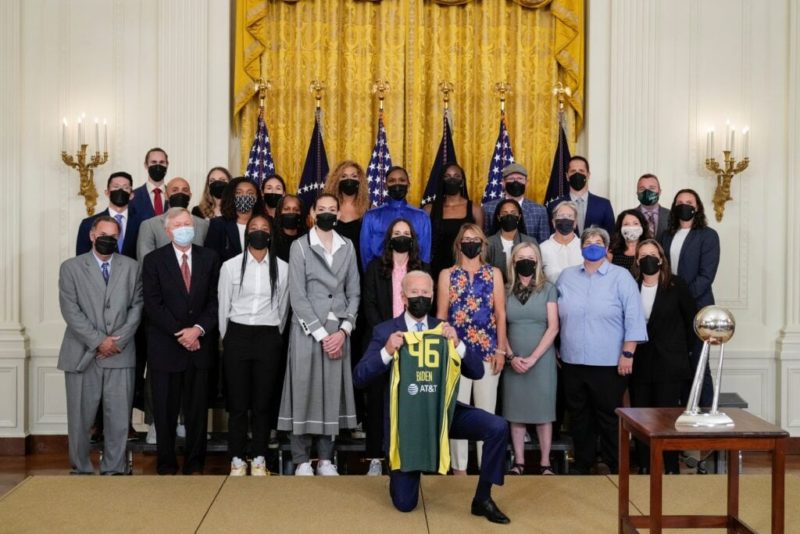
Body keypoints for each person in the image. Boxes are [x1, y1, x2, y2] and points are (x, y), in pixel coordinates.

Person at [353, 271, 510, 524]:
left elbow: (477, 371)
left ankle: (483, 498)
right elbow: (359, 376)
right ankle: (399, 475)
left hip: (442, 413)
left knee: (497, 427)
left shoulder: (443, 328)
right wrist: (386, 351)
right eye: (414, 293)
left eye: (426, 292)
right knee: (405, 504)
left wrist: (458, 344)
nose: (421, 297)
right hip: (407, 425)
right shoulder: (386, 331)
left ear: (433, 295)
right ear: (403, 297)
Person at [278, 193, 360, 476]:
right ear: (312, 212)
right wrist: (323, 334)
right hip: (309, 332)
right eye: (321, 208)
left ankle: (326, 458)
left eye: (332, 209)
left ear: (338, 214)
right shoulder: (300, 246)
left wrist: (344, 331)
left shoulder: (347, 246)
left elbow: (355, 292)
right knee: (303, 390)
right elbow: (297, 297)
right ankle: (301, 459)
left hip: (339, 331)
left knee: (330, 393)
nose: (327, 213)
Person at [556, 227, 647, 474]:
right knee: (579, 416)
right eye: (588, 241)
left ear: (607, 248)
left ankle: (616, 465)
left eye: (598, 241)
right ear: (581, 247)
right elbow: (555, 315)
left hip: (608, 362)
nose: (592, 245)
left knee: (608, 417)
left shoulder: (621, 277)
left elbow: (634, 317)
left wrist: (628, 353)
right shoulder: (566, 276)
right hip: (573, 360)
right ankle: (583, 463)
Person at [58, 216, 143, 475]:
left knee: (118, 419)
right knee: (81, 419)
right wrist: (98, 341)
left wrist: (119, 339)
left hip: (120, 351)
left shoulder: (131, 267)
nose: (108, 239)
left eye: (113, 235)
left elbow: (137, 306)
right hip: (82, 353)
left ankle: (115, 468)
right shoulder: (71, 267)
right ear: (92, 235)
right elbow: (70, 310)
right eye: (103, 234)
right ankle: (81, 468)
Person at [142, 208, 220, 475]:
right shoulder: (153, 260)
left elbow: (215, 301)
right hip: (166, 348)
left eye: (188, 223)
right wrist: (182, 333)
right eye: (178, 224)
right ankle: (165, 464)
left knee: (197, 412)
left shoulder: (210, 258)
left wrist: (197, 330)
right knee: (165, 412)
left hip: (200, 346)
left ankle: (195, 463)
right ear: (168, 231)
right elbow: (153, 304)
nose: (184, 228)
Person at [218, 214, 289, 476]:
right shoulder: (231, 267)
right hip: (237, 335)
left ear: (271, 234)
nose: (259, 232)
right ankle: (237, 458)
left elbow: (283, 308)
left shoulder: (283, 268)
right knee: (238, 403)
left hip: (268, 337)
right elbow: (224, 306)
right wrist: (229, 339)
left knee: (262, 403)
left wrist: (272, 334)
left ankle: (259, 457)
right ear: (247, 233)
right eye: (254, 228)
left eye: (264, 228)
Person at [436, 224, 508, 475]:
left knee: (486, 413)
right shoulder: (447, 274)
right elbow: (442, 316)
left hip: (488, 352)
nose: (470, 243)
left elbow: (500, 313)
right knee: (458, 411)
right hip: (457, 353)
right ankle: (459, 469)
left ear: (483, 244)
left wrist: (501, 349)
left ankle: (486, 469)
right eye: (465, 239)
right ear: (458, 245)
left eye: (475, 239)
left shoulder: (494, 273)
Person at [361, 219, 429, 476]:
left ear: (413, 239)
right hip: (383, 343)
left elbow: (426, 307)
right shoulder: (374, 267)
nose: (401, 237)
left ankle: (411, 454)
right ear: (389, 238)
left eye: (406, 233)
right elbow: (369, 305)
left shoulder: (423, 268)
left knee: (411, 401)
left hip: (415, 345)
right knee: (378, 401)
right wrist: (389, 338)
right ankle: (376, 457)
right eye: (396, 233)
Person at [631, 239, 695, 474]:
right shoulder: (631, 285)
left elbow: (691, 322)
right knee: (641, 415)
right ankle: (646, 464)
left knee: (667, 416)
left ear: (661, 258)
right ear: (637, 261)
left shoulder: (677, 284)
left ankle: (669, 465)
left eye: (652, 254)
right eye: (643, 255)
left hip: (670, 362)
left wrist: (684, 352)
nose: (649, 258)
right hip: (639, 361)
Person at [502, 242, 559, 476]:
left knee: (543, 411)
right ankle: (519, 461)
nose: (526, 261)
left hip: (541, 359)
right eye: (521, 257)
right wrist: (511, 356)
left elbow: (553, 327)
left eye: (531, 257)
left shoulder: (548, 288)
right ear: (513, 261)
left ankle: (545, 463)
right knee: (516, 411)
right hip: (513, 358)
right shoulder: (505, 290)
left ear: (537, 261)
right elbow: (500, 327)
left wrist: (534, 357)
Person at [660, 189, 720, 407]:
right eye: (680, 202)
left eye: (689, 202)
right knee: (677, 362)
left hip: (697, 307)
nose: (684, 205)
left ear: (698, 207)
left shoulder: (708, 235)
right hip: (671, 308)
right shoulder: (666, 235)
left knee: (699, 363)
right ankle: (682, 412)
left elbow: (706, 276)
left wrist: (681, 298)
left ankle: (705, 413)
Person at [359, 166, 431, 270]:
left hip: (413, 273)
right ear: (385, 185)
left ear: (408, 184)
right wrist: (371, 277)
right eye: (392, 181)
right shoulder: (371, 216)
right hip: (380, 273)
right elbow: (365, 252)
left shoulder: (422, 217)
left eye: (401, 180)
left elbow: (425, 254)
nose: (397, 184)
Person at [423, 163, 484, 281]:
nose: (452, 179)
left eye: (456, 176)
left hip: (467, 268)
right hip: (435, 269)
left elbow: (480, 244)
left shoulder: (475, 209)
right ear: (442, 181)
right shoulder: (429, 210)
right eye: (447, 176)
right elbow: (424, 244)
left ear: (462, 182)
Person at [138, 177, 210, 261]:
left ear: (190, 195)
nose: (180, 193)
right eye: (175, 190)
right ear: (165, 195)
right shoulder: (150, 225)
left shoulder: (204, 225)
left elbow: (209, 258)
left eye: (185, 190)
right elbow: (146, 260)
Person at [76, 171, 143, 260]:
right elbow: (82, 259)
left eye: (125, 188)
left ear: (131, 195)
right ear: (107, 192)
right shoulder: (88, 224)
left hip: (133, 273)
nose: (120, 191)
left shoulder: (142, 222)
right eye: (116, 187)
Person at [482, 163, 550, 244]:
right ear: (503, 182)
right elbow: (485, 240)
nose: (515, 182)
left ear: (526, 182)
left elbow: (544, 243)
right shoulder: (488, 208)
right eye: (511, 178)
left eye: (520, 179)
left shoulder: (540, 211)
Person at [205, 177, 266, 264]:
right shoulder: (218, 224)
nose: (244, 196)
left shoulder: (267, 223)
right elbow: (210, 259)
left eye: (250, 193)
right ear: (232, 197)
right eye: (238, 193)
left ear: (256, 197)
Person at [323, 161, 369, 270]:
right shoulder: (326, 208)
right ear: (336, 181)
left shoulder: (369, 209)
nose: (349, 180)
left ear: (360, 180)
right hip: (331, 269)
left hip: (360, 268)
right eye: (344, 176)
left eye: (354, 176)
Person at [551, 156, 615, 235]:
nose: (577, 174)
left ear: (588, 175)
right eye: (573, 171)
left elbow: (611, 236)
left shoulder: (604, 205)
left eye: (581, 171)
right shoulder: (554, 205)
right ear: (567, 176)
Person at [485, 198, 536, 282]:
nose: (509, 216)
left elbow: (537, 270)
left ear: (519, 217)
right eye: (505, 213)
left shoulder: (530, 242)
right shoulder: (487, 243)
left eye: (513, 213)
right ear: (498, 217)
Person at [539, 200, 583, 284]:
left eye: (570, 216)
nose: (565, 219)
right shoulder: (543, 248)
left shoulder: (584, 246)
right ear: (554, 222)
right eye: (561, 216)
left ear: (575, 223)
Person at [608, 209, 651, 274]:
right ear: (620, 228)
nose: (631, 227)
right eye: (626, 224)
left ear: (642, 227)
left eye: (635, 223)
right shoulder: (611, 252)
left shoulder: (650, 249)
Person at [131, 147, 170, 219]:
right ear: (146, 165)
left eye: (161, 162)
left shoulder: (173, 194)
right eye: (153, 162)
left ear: (167, 165)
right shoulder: (133, 197)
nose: (158, 166)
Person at [634, 173, 670, 242]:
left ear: (659, 192)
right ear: (637, 193)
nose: (647, 192)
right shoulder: (628, 216)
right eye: (642, 189)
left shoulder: (671, 215)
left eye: (652, 188)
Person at [271, 194, 307, 263]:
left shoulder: (307, 239)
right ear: (279, 212)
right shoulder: (271, 239)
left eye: (296, 210)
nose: (291, 212)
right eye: (286, 209)